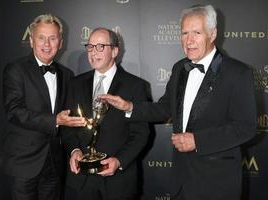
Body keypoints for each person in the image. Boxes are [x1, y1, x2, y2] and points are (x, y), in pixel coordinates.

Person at [100, 5, 257, 200]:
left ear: (213, 33)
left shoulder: (237, 73)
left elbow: (246, 127)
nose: (189, 40)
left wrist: (197, 140)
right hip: (181, 181)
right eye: (184, 33)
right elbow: (165, 108)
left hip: (217, 183)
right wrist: (130, 107)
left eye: (197, 33)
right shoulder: (179, 68)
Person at [2, 14, 85, 200]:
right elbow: (14, 111)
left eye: (53, 38)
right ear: (31, 40)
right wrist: (54, 120)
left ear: (61, 42)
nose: (47, 44)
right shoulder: (15, 69)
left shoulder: (67, 74)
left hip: (54, 164)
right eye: (41, 37)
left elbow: (68, 121)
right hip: (23, 163)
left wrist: (74, 149)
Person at [62, 27, 150, 200]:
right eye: (90, 46)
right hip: (81, 181)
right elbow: (67, 127)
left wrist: (119, 161)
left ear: (115, 51)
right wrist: (74, 151)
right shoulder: (75, 84)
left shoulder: (135, 86)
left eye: (100, 46)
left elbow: (141, 133)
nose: (93, 52)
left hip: (118, 182)